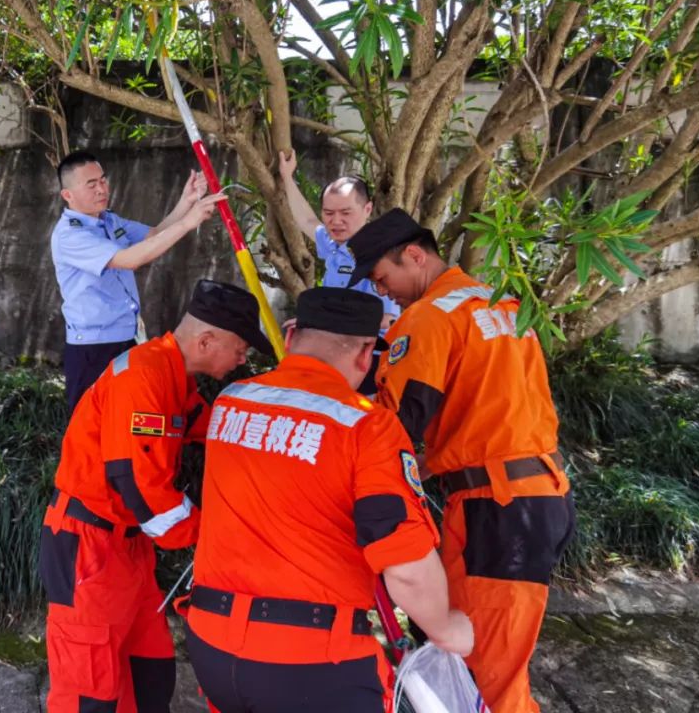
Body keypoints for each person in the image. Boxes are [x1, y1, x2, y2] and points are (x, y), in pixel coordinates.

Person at [185, 286, 474, 713]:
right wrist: (447, 629)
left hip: (212, 646)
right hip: (312, 661)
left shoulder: (232, 402)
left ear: (291, 337)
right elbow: (406, 566)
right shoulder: (367, 426)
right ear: (366, 354)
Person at [346, 209, 576, 713]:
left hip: (497, 509)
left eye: (383, 278)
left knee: (487, 673)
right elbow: (489, 414)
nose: (383, 292)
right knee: (475, 656)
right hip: (536, 496)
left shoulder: (428, 316)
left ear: (414, 255)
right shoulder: (498, 303)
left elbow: (399, 423)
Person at [38, 279, 274, 713]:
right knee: (89, 690)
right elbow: (143, 493)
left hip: (129, 549)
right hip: (89, 548)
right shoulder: (143, 378)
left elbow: (212, 428)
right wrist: (217, 535)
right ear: (206, 341)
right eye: (240, 349)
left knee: (150, 668)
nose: (243, 360)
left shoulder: (173, 376)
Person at [51, 150, 226, 413]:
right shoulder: (70, 235)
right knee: (92, 424)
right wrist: (189, 222)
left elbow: (153, 235)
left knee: (127, 418)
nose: (102, 189)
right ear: (68, 195)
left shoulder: (109, 220)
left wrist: (186, 202)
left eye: (103, 180)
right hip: (93, 348)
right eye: (91, 184)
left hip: (127, 339)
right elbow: (130, 259)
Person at [277, 149, 399, 394]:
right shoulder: (333, 243)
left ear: (367, 209)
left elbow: (388, 319)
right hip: (329, 352)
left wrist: (318, 321)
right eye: (329, 213)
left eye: (346, 213)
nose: (336, 221)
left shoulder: (382, 256)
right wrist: (287, 177)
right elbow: (307, 221)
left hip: (367, 359)